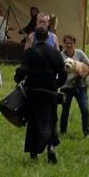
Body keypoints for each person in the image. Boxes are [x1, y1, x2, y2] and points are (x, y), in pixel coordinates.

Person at [15, 26, 66, 163]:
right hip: (50, 92)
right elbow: (63, 73)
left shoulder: (29, 53)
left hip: (34, 91)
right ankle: (51, 146)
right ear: (47, 37)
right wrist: (56, 85)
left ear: (35, 38)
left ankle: (34, 153)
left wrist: (17, 79)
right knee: (51, 120)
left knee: (34, 122)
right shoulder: (55, 53)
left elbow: (22, 71)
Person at [60, 34, 89, 138]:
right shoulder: (60, 55)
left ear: (74, 44)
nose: (69, 45)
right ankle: (62, 132)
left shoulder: (79, 53)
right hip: (66, 87)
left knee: (85, 109)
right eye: (67, 43)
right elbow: (57, 70)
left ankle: (87, 133)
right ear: (63, 44)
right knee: (65, 110)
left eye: (71, 43)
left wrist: (83, 74)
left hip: (81, 87)